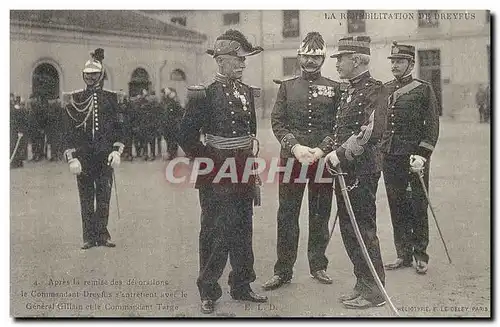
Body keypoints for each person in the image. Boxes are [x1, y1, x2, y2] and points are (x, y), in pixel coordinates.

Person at [179, 29, 267, 314]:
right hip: (215, 170)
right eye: (238, 59)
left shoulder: (245, 92)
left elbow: (250, 129)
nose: (243, 65)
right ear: (221, 60)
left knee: (243, 227)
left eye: (244, 60)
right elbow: (186, 135)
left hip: (243, 167)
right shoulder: (203, 94)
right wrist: (209, 159)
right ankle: (208, 290)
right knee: (215, 230)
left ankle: (242, 285)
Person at [262, 32, 340, 291]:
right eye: (306, 57)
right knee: (287, 215)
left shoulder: (334, 87)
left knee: (319, 215)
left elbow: (337, 126)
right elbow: (278, 122)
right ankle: (283, 270)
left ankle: (318, 266)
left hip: (321, 161)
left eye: (315, 57)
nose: (310, 62)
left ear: (323, 59)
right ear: (299, 57)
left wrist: (320, 150)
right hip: (292, 160)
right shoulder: (286, 87)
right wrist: (295, 147)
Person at [325, 36, 388, 309]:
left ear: (358, 60)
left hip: (361, 171)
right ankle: (362, 284)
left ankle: (375, 292)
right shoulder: (347, 90)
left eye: (342, 58)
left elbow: (371, 132)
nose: (337, 63)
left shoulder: (376, 90)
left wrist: (338, 154)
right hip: (344, 172)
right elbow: (339, 128)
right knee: (350, 230)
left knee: (363, 229)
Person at [380, 42, 440, 275]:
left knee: (417, 204)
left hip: (414, 156)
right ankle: (403, 253)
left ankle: (420, 254)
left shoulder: (423, 89)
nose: (395, 65)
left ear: (411, 64)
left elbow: (432, 125)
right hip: (391, 154)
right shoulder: (385, 89)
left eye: (400, 61)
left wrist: (423, 155)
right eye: (393, 61)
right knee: (396, 204)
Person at [62, 49, 125, 250]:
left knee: (104, 197)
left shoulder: (112, 99)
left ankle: (102, 235)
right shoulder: (75, 99)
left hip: (105, 155)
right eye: (87, 74)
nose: (90, 77)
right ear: (83, 75)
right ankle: (89, 236)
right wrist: (71, 157)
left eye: (94, 74)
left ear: (101, 75)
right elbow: (67, 131)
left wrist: (117, 151)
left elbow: (120, 128)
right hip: (84, 157)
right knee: (86, 197)